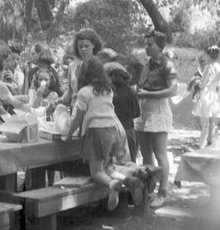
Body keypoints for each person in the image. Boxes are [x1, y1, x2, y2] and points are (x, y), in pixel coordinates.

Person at [64, 58, 126, 211]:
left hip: (97, 132)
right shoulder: (108, 90)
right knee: (109, 167)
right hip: (112, 130)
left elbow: (78, 117)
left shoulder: (85, 92)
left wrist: (69, 134)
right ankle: (129, 181)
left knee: (96, 171)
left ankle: (112, 185)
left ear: (83, 74)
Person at [135, 30, 177, 210]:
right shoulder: (147, 63)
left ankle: (163, 192)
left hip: (158, 110)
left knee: (160, 153)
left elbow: (173, 90)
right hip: (143, 110)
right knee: (145, 153)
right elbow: (141, 84)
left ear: (160, 46)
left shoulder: (168, 65)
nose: (146, 47)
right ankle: (147, 190)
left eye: (150, 44)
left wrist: (149, 94)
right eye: (145, 44)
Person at [104, 61, 140, 163]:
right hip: (129, 130)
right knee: (131, 164)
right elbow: (137, 113)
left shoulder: (107, 91)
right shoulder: (131, 92)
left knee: (112, 164)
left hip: (113, 131)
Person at [60, 28, 104, 107]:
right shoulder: (72, 66)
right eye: (80, 46)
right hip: (75, 108)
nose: (83, 49)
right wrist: (59, 101)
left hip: (93, 109)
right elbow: (70, 90)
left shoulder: (99, 65)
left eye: (86, 46)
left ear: (93, 45)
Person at [193, 45, 220, 149]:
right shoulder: (219, 67)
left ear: (208, 55)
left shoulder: (208, 67)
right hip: (215, 96)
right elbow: (219, 83)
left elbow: (202, 84)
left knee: (205, 126)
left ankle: (201, 148)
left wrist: (196, 83)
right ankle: (215, 147)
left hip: (206, 95)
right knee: (214, 126)